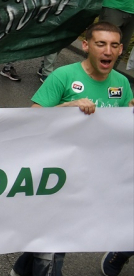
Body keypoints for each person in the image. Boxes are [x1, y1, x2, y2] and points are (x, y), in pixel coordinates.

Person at [11, 22, 133, 276]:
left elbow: (122, 129)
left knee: (51, 237)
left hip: (89, 177)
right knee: (55, 242)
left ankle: (21, 269)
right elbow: (31, 121)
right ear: (86, 45)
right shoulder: (63, 76)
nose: (107, 51)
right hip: (55, 174)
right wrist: (66, 108)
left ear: (121, 49)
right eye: (101, 44)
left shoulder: (122, 83)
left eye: (113, 45)